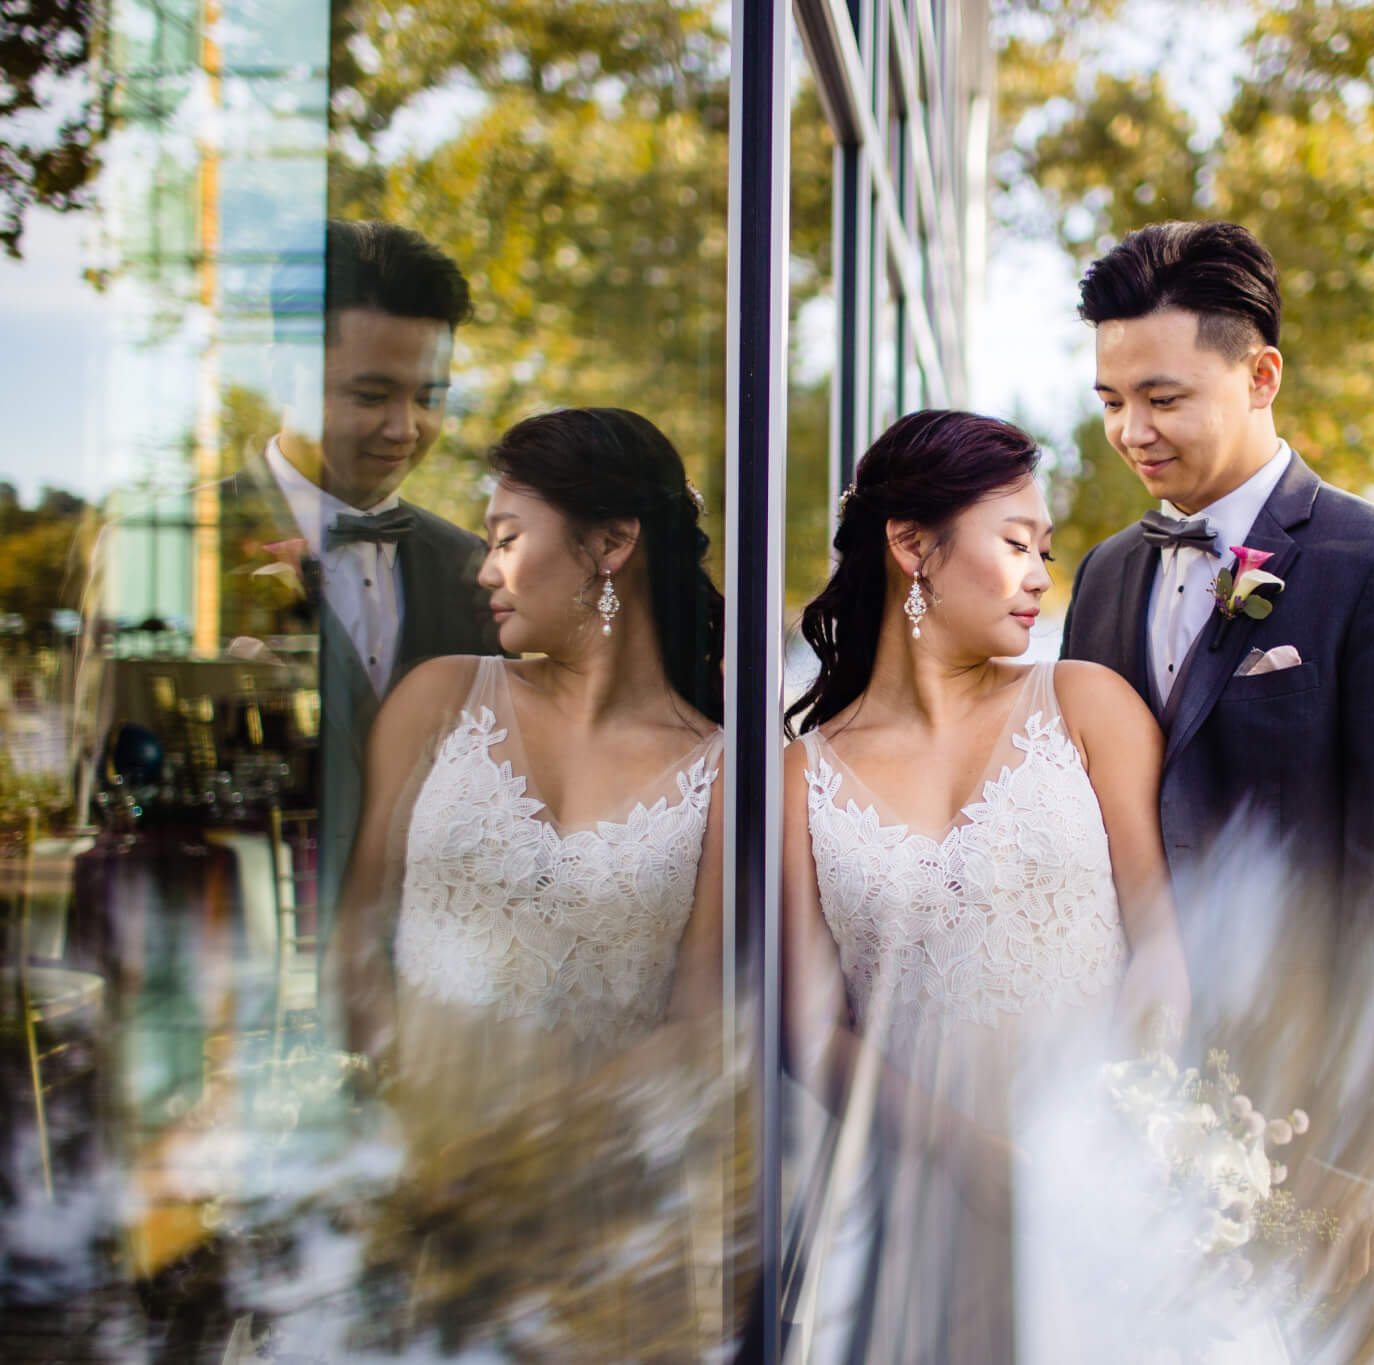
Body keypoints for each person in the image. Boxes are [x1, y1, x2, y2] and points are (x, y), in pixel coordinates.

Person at [1059, 220, 1374, 1346]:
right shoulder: (1103, 576)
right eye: (1108, 402)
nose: (1129, 433)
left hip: (1314, 1117)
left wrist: (1361, 1156)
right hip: (1135, 1103)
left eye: (1161, 398)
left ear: (1259, 373)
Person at [780, 409, 1190, 1363]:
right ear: (912, 544)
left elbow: (1165, 938)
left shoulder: (1087, 703)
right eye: (1017, 544)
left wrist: (1126, 1125)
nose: (1043, 575)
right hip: (923, 1193)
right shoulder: (799, 778)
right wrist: (976, 1159)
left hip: (1103, 1177)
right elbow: (809, 1026)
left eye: (1044, 549)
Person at [328, 407, 730, 1354]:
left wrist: (519, 1164)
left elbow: (700, 1021)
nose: (484, 571)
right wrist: (412, 1142)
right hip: (414, 1186)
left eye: (507, 539)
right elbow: (355, 939)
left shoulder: (731, 772)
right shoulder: (437, 699)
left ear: (610, 544)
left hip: (605, 1218)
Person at [220, 219, 500, 945]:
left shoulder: (481, 572)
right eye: (371, 395)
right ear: (284, 373)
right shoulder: (181, 550)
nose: (405, 429)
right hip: (241, 971)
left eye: (429, 396)